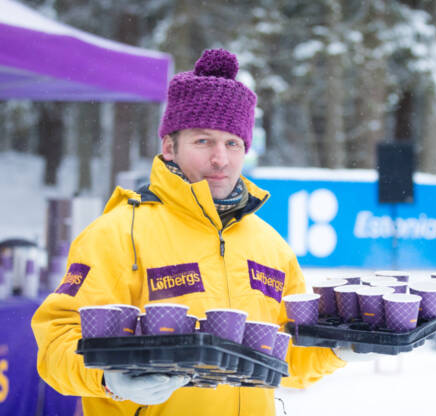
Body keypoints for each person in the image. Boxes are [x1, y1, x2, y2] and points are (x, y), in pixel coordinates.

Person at [31, 48, 348, 416]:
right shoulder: (118, 233)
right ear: (169, 147)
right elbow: (56, 340)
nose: (221, 158)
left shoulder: (270, 245)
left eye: (233, 143)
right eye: (203, 141)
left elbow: (284, 357)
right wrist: (108, 379)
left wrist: (337, 349)